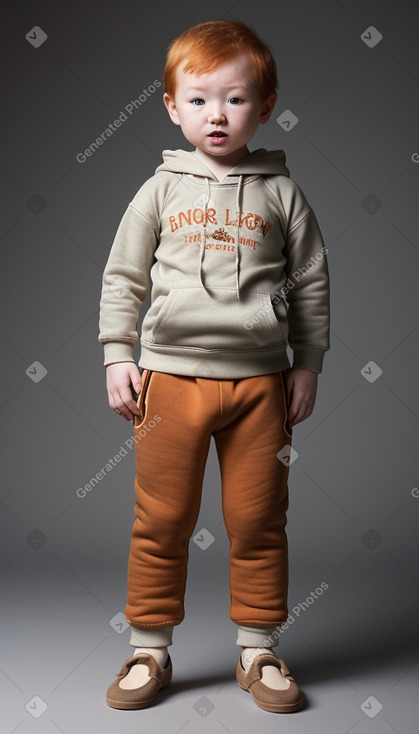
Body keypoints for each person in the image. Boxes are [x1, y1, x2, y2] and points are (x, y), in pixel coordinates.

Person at [99, 18, 330, 713]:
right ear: (171, 106)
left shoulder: (281, 194)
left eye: (234, 98)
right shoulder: (159, 190)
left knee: (259, 518)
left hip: (260, 385)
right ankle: (148, 648)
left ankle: (258, 650)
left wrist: (306, 363)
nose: (217, 115)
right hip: (169, 380)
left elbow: (311, 281)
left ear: (265, 104)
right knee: (160, 518)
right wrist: (118, 354)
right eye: (198, 99)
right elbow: (123, 278)